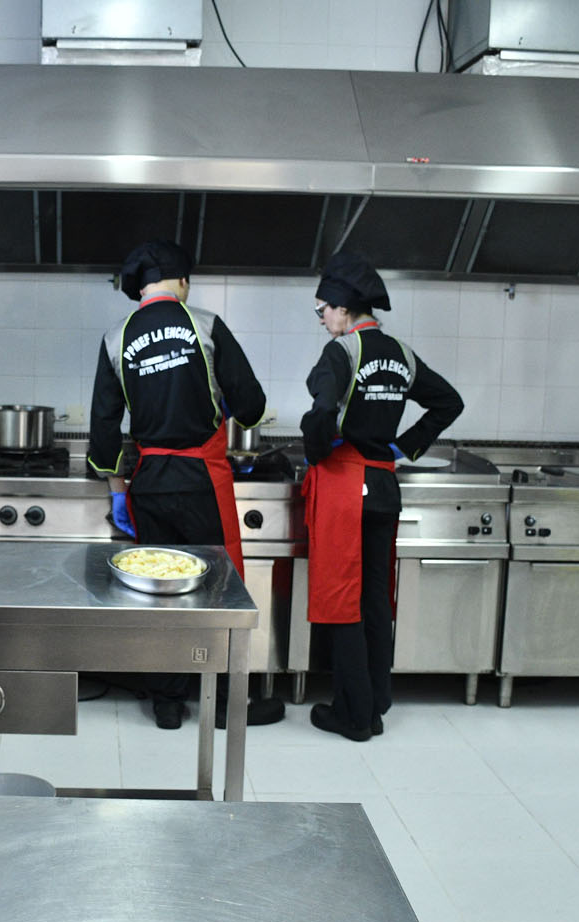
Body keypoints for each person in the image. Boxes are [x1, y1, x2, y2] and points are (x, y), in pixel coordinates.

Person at [87, 239, 283, 730]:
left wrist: (116, 491)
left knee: (159, 590)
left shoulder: (116, 337)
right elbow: (253, 404)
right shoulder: (207, 325)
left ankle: (167, 702)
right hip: (202, 479)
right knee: (215, 589)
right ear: (182, 282)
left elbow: (104, 428)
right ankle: (218, 701)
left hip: (148, 481)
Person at [300, 251, 463, 741]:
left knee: (342, 600)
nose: (322, 317)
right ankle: (375, 701)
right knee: (374, 600)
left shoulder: (343, 352)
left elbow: (321, 413)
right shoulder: (401, 355)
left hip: (347, 486)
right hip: (384, 487)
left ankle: (353, 717)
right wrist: (405, 444)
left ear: (345, 308)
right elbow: (448, 401)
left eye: (323, 308)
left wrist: (317, 447)